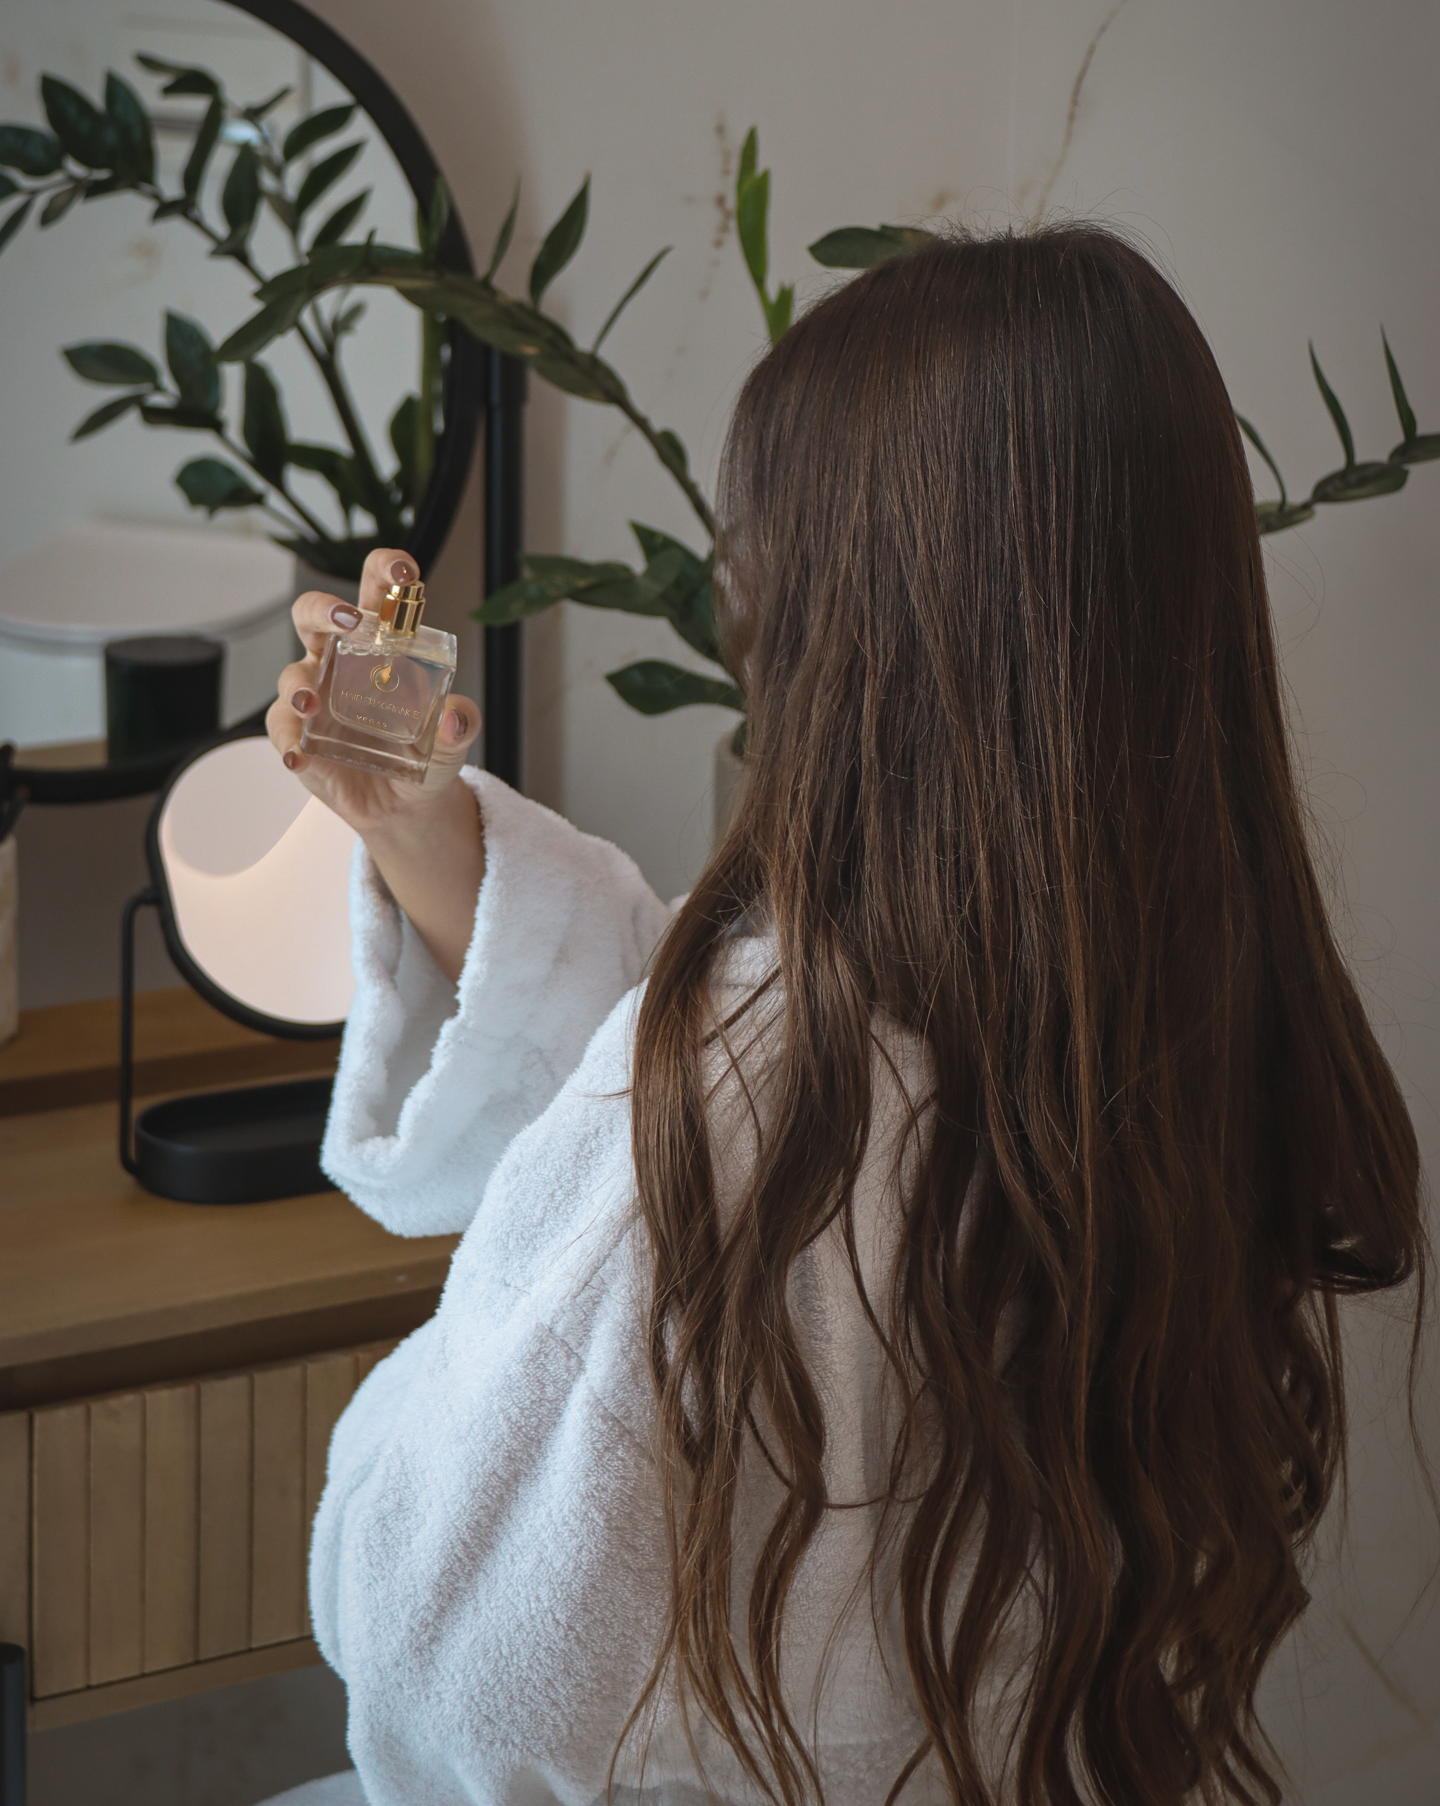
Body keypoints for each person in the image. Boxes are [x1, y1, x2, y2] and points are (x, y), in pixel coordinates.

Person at [260, 226, 1427, 1806]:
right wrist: (419, 834)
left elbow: (439, 1641)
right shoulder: (1174, 1018)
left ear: (843, 624)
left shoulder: (738, 1095)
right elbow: (714, 1045)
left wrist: (434, 1402)